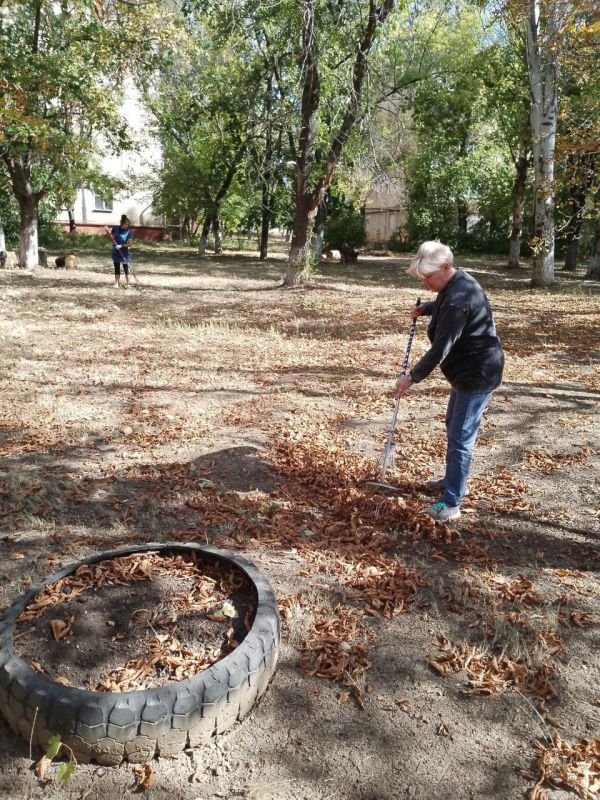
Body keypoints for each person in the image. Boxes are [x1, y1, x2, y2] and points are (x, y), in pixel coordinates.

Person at [393, 241, 504, 523]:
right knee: (453, 425)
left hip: (476, 373)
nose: (426, 282)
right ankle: (452, 481)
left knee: (461, 437)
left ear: (445, 267)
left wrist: (412, 377)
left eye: (428, 277)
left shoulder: (457, 299)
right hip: (466, 370)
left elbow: (440, 349)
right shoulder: (456, 282)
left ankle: (452, 502)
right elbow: (446, 304)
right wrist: (428, 308)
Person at [108, 215, 133, 288]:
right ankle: (116, 283)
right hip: (116, 251)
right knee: (117, 267)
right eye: (126, 224)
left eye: (128, 224)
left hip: (124, 253)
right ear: (121, 223)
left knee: (126, 268)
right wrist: (107, 231)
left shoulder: (129, 232)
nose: (127, 226)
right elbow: (111, 238)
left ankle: (128, 284)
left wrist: (121, 245)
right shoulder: (116, 228)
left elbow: (129, 244)